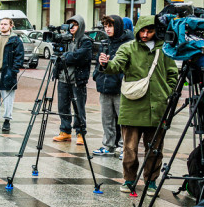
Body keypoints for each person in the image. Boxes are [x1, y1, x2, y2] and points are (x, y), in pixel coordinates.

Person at [99, 15, 179, 195]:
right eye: (142, 30)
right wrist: (106, 64)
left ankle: (151, 181)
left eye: (149, 31)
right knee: (129, 148)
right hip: (132, 106)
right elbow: (116, 66)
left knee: (155, 149)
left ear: (156, 31)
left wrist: (166, 91)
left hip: (157, 107)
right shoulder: (128, 48)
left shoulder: (165, 50)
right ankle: (129, 179)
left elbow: (173, 74)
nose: (145, 34)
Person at [92, 15, 132, 157]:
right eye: (105, 26)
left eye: (110, 26)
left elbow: (128, 65)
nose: (107, 29)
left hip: (120, 88)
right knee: (106, 118)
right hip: (105, 86)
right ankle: (108, 145)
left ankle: (123, 146)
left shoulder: (128, 43)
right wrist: (97, 75)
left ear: (118, 27)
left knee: (123, 119)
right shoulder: (105, 43)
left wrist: (120, 78)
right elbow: (98, 62)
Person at [52, 15, 92, 145]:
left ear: (80, 26)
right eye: (70, 24)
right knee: (63, 106)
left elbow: (80, 56)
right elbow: (58, 55)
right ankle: (65, 131)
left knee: (79, 107)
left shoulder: (85, 40)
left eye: (75, 24)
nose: (72, 27)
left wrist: (66, 56)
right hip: (63, 78)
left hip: (77, 79)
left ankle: (80, 133)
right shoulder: (65, 39)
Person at [0, 17, 25, 133]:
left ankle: (7, 120)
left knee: (8, 98)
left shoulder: (15, 40)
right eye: (1, 24)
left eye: (5, 24)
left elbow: (19, 57)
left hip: (7, 72)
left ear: (11, 26)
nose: (3, 26)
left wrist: (13, 70)